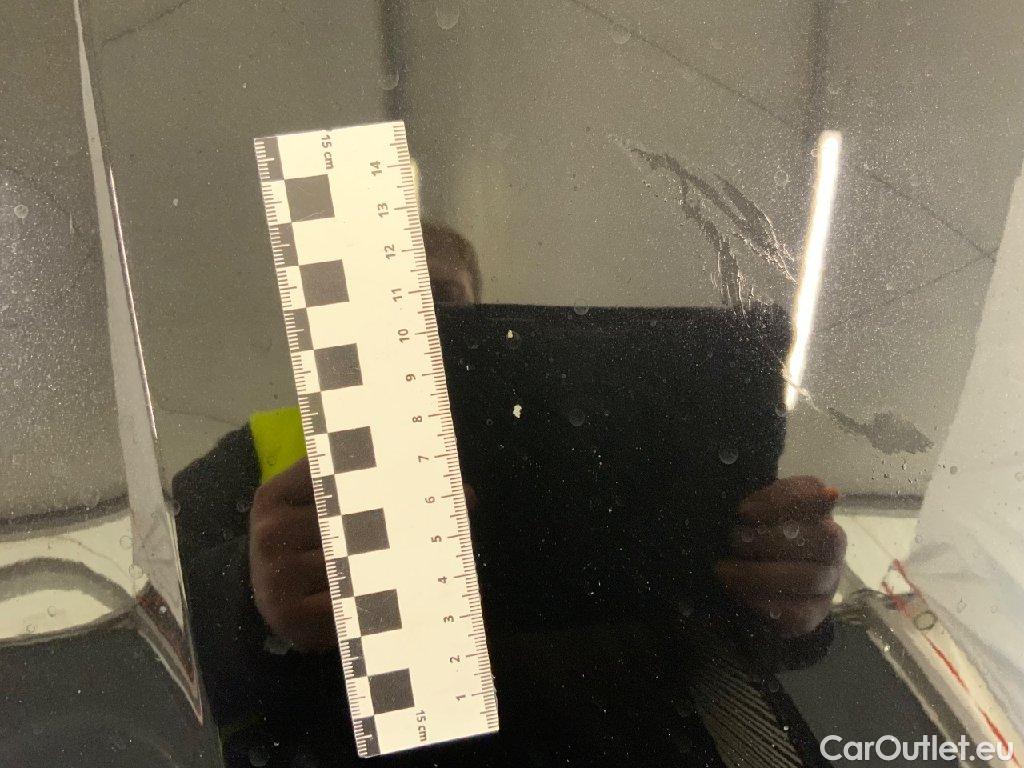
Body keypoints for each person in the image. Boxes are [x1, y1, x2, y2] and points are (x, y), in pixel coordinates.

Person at [172, 222, 846, 767]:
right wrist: (247, 596)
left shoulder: (593, 437)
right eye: (388, 298)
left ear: (481, 315)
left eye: (440, 301)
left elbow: (712, 614)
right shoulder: (260, 454)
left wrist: (793, 596)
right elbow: (168, 645)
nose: (414, 320)